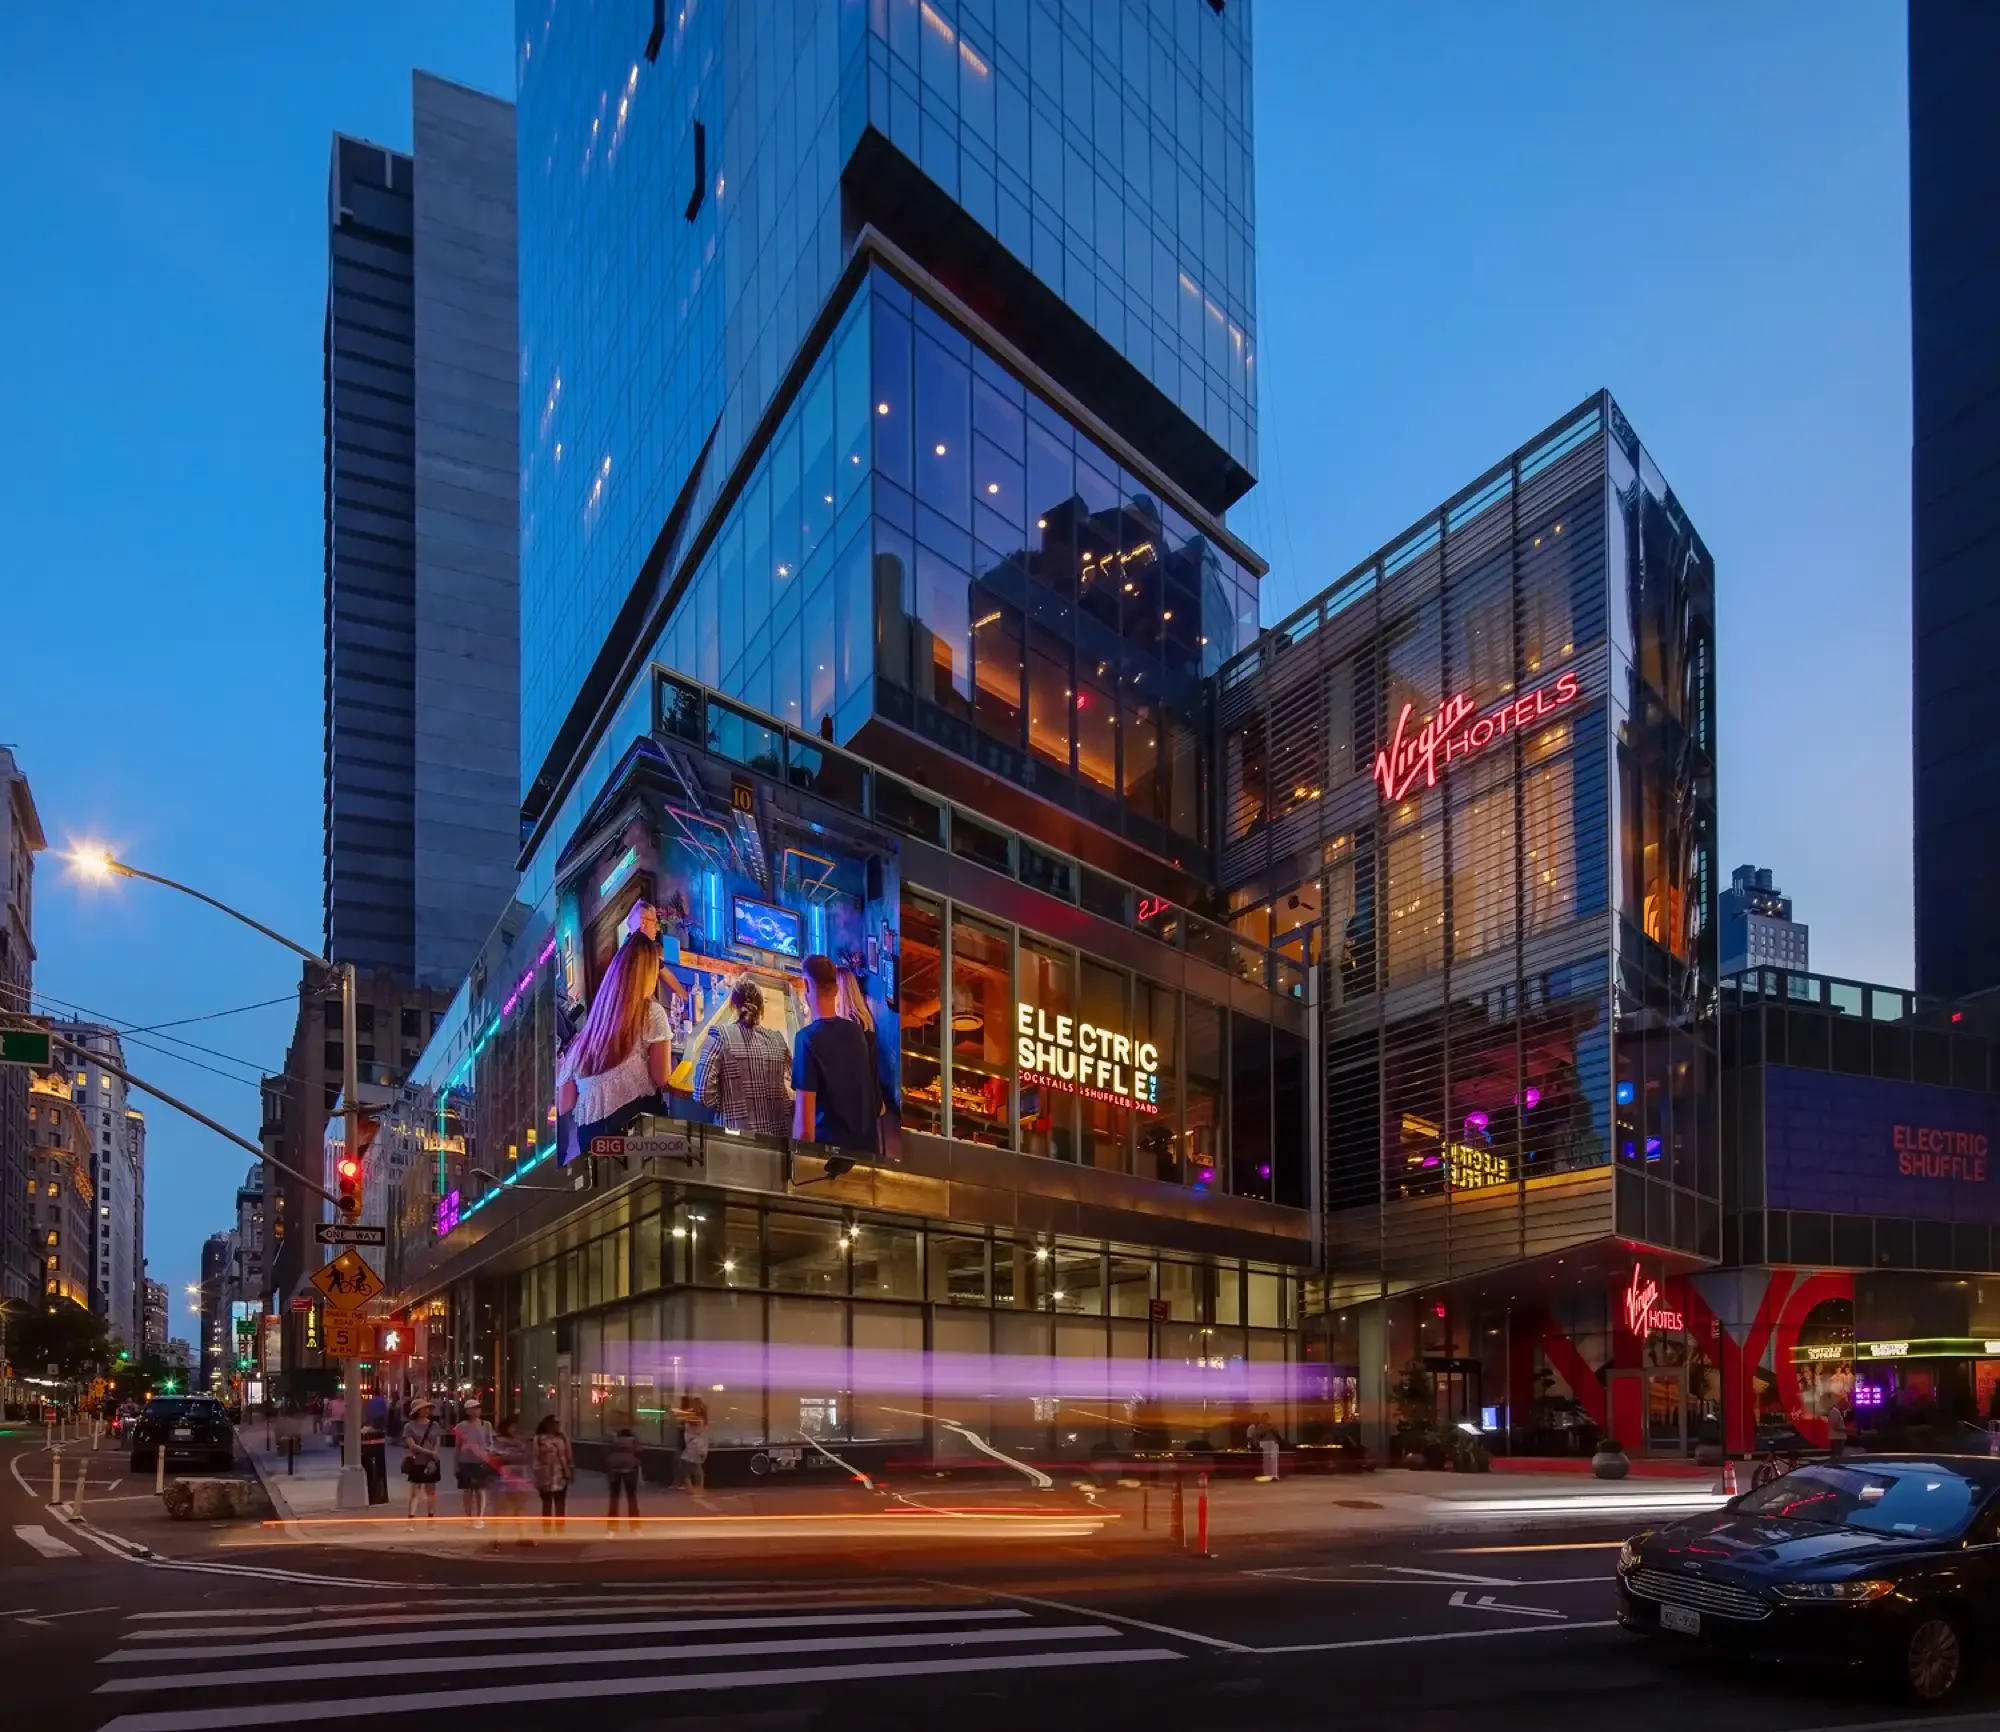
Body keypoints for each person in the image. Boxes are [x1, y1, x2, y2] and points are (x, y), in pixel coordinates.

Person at [558, 936, 675, 1150]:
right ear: (648, 974)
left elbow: (564, 1105)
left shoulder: (587, 1034)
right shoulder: (650, 1012)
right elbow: (661, 1078)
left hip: (591, 1144)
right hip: (637, 1133)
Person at [792, 953, 882, 1150]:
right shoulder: (857, 1031)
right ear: (836, 989)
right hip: (867, 1152)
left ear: (806, 985)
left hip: (831, 1160)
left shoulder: (806, 1039)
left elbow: (804, 1131)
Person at [695, 976, 794, 1135]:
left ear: (732, 1005)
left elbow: (702, 1095)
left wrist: (729, 1097)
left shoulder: (720, 1036)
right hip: (778, 1142)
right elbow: (794, 1078)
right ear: (762, 1008)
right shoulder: (778, 1039)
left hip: (735, 1139)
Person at [491, 1415, 534, 1546]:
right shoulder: (497, 1440)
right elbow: (496, 1455)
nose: (515, 1429)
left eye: (516, 1427)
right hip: (503, 1478)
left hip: (520, 1478)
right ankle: (497, 1538)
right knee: (500, 1509)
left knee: (520, 1508)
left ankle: (522, 1536)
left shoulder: (520, 1441)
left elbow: (527, 1456)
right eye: (512, 1426)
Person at [454, 1397, 496, 1528]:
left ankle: (480, 1517)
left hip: (481, 1461)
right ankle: (468, 1517)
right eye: (474, 1408)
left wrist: (487, 1452)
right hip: (465, 1461)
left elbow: (492, 1442)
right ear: (467, 1411)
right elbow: (457, 1447)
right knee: (467, 1491)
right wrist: (455, 1465)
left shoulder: (486, 1425)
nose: (477, 1410)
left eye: (478, 1408)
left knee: (481, 1490)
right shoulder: (461, 1426)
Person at [400, 1397, 444, 1520]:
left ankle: (431, 1515)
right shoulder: (409, 1426)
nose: (426, 1411)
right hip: (417, 1461)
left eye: (427, 1409)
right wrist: (430, 1452)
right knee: (415, 1490)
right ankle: (411, 1515)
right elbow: (412, 1445)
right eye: (422, 1409)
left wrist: (434, 1455)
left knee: (431, 1491)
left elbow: (437, 1442)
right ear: (416, 1411)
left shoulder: (434, 1425)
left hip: (431, 1462)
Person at [532, 1414, 574, 1533]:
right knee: (546, 1502)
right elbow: (535, 1457)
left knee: (560, 1501)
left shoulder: (562, 1438)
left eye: (558, 1423)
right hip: (545, 1473)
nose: (556, 1426)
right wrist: (536, 1473)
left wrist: (570, 1469)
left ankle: (560, 1527)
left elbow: (568, 1454)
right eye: (554, 1423)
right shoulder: (539, 1439)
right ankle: (546, 1528)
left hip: (560, 1473)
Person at [604, 1424, 642, 1532]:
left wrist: (609, 1466)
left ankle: (612, 1524)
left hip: (615, 1470)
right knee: (632, 1497)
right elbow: (639, 1450)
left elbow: (605, 1452)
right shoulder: (633, 1439)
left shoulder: (613, 1439)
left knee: (614, 1498)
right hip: (630, 1469)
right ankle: (634, 1523)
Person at [673, 1396, 710, 1495]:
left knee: (688, 1466)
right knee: (695, 1466)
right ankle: (696, 1487)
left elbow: (692, 1422)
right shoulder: (699, 1415)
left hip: (695, 1445)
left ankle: (693, 1487)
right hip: (697, 1444)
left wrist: (680, 1413)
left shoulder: (697, 1416)